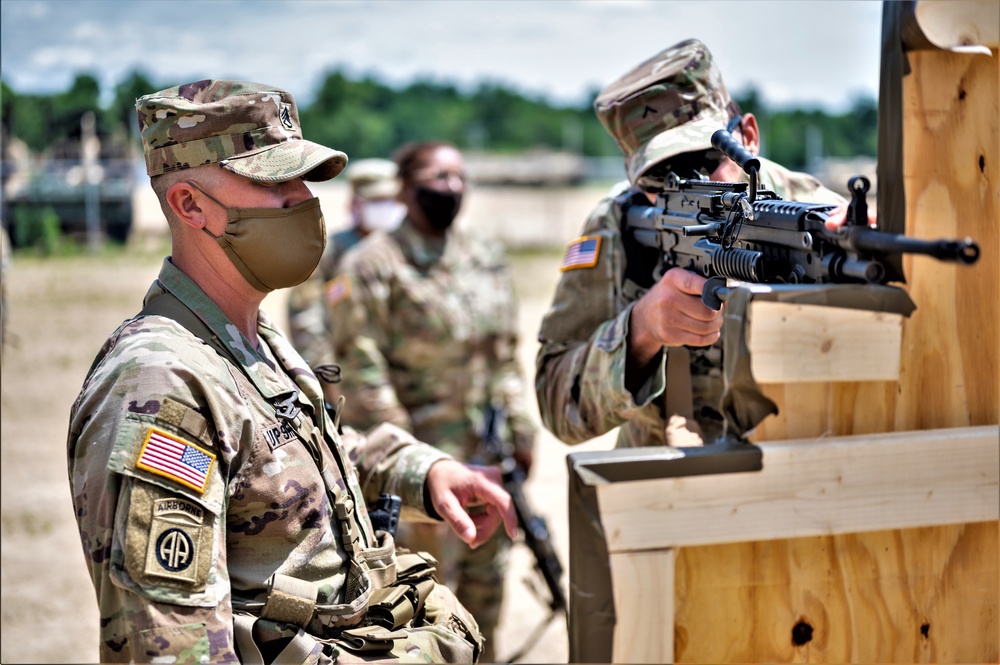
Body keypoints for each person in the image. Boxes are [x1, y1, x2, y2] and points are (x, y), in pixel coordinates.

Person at [66, 80, 517, 664]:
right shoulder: (160, 383)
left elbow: (297, 465)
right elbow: (172, 648)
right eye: (272, 180)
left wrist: (418, 470)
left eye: (300, 178)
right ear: (189, 204)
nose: (301, 199)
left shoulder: (253, 339)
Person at [535, 39, 848, 449]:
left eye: (702, 161)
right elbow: (556, 403)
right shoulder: (616, 226)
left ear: (748, 137)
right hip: (665, 483)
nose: (686, 186)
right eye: (659, 177)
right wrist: (642, 331)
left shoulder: (818, 214)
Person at [327, 141, 537, 662]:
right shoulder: (371, 264)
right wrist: (414, 460)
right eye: (437, 175)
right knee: (427, 611)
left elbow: (503, 352)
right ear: (405, 186)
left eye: (459, 175)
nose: (451, 186)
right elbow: (362, 369)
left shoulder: (484, 254)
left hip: (488, 461)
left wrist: (521, 427)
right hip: (423, 475)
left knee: (486, 597)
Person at [286, 158, 405, 386]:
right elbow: (307, 320)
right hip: (351, 379)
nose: (385, 208)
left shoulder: (405, 250)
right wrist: (326, 377)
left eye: (390, 200)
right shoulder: (330, 252)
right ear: (355, 204)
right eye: (376, 201)